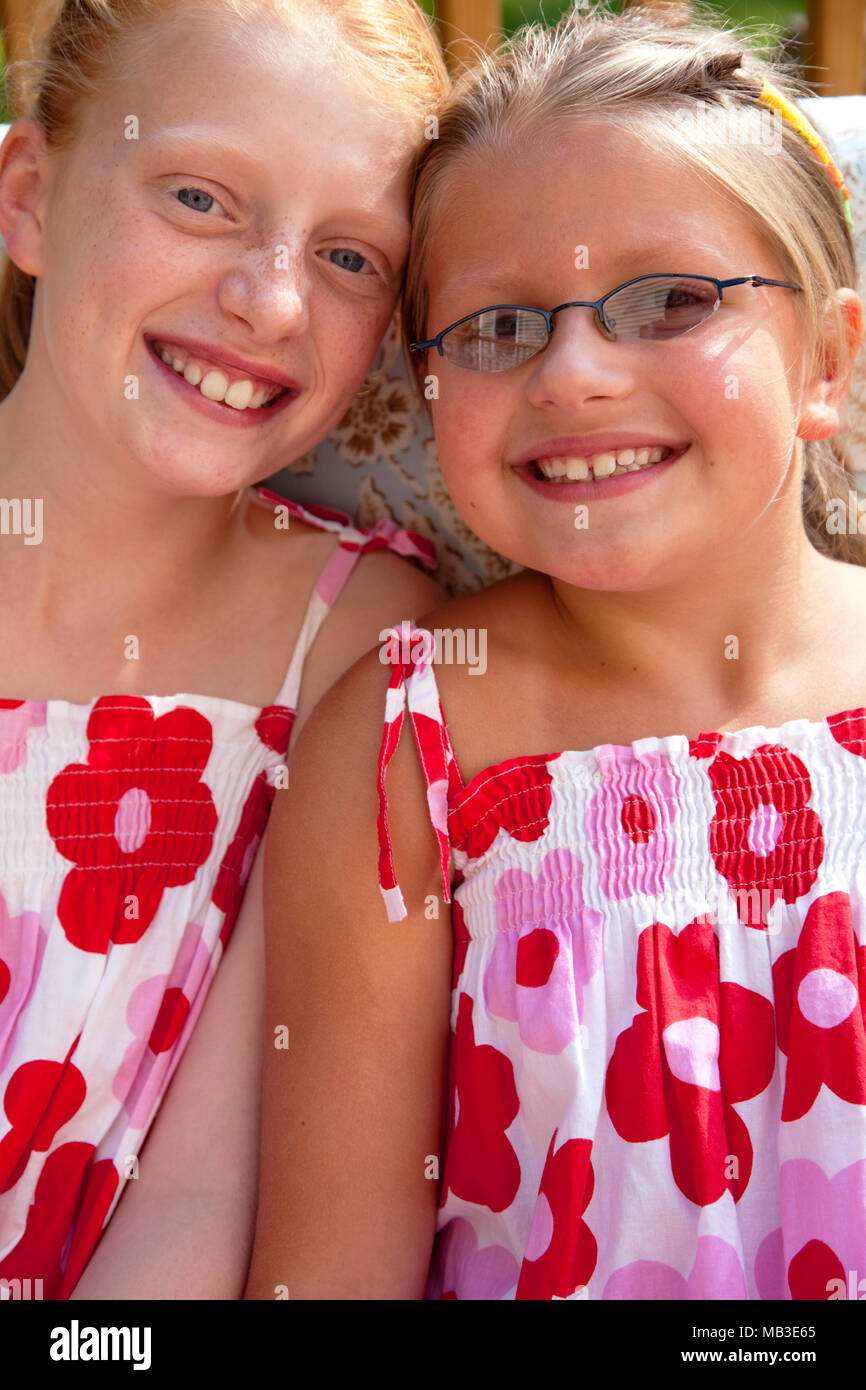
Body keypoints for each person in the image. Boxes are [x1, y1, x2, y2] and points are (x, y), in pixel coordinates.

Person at [247, 3, 866, 1301]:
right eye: (499, 327)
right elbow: (331, 1268)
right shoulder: (405, 747)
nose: (573, 373)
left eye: (671, 300)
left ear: (824, 357)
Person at [0, 0, 447, 1299]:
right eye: (199, 198)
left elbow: (200, 1201)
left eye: (350, 256)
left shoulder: (355, 640)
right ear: (29, 198)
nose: (270, 300)